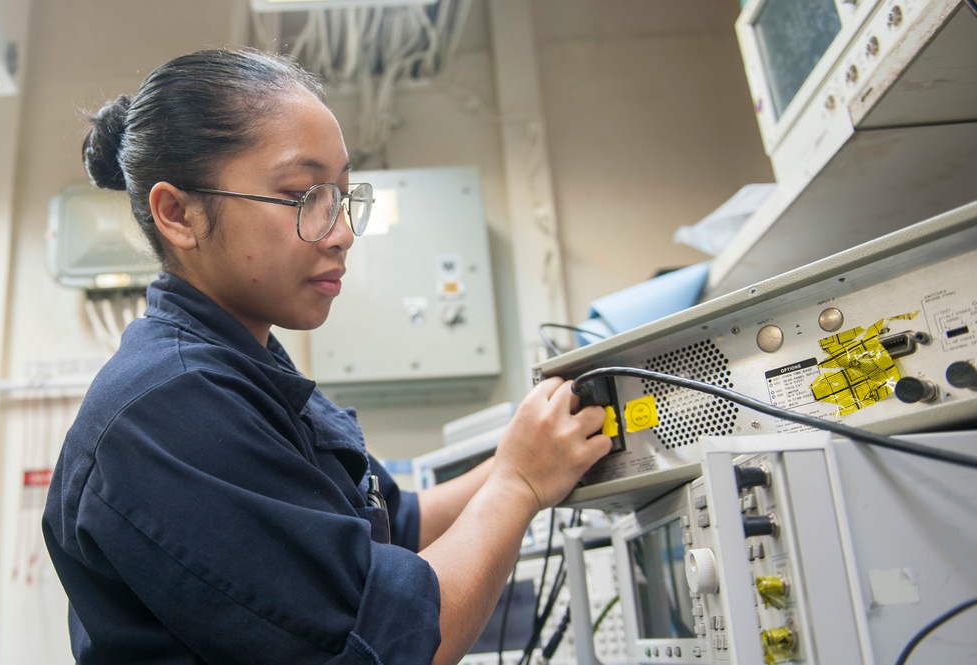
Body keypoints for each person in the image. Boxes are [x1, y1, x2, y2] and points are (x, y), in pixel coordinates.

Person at [42, 47, 611, 665]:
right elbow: (390, 643)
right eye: (302, 194)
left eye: (341, 195)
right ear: (178, 214)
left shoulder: (249, 371)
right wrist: (518, 484)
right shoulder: (168, 409)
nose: (340, 231)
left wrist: (533, 448)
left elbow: (404, 521)